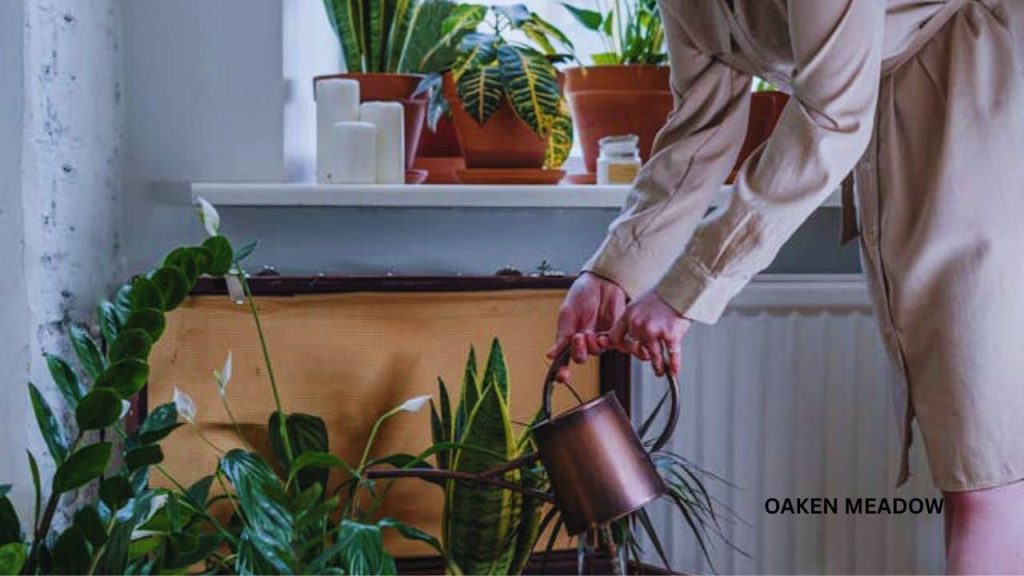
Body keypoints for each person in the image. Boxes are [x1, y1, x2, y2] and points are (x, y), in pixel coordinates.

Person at [549, 0, 1024, 572]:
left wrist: (687, 290)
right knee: (968, 466)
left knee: (985, 468)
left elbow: (832, 117)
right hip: (894, 104)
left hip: (982, 83)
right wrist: (611, 272)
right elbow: (702, 126)